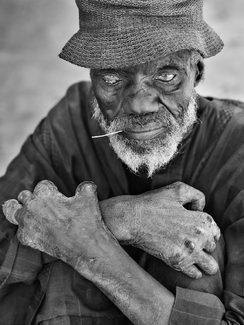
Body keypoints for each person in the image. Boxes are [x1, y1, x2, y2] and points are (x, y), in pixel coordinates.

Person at [1, 0, 244, 324]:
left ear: (197, 72)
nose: (140, 104)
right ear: (93, 78)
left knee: (203, 254)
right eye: (113, 79)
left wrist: (81, 239)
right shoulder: (71, 122)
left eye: (167, 74)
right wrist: (121, 218)